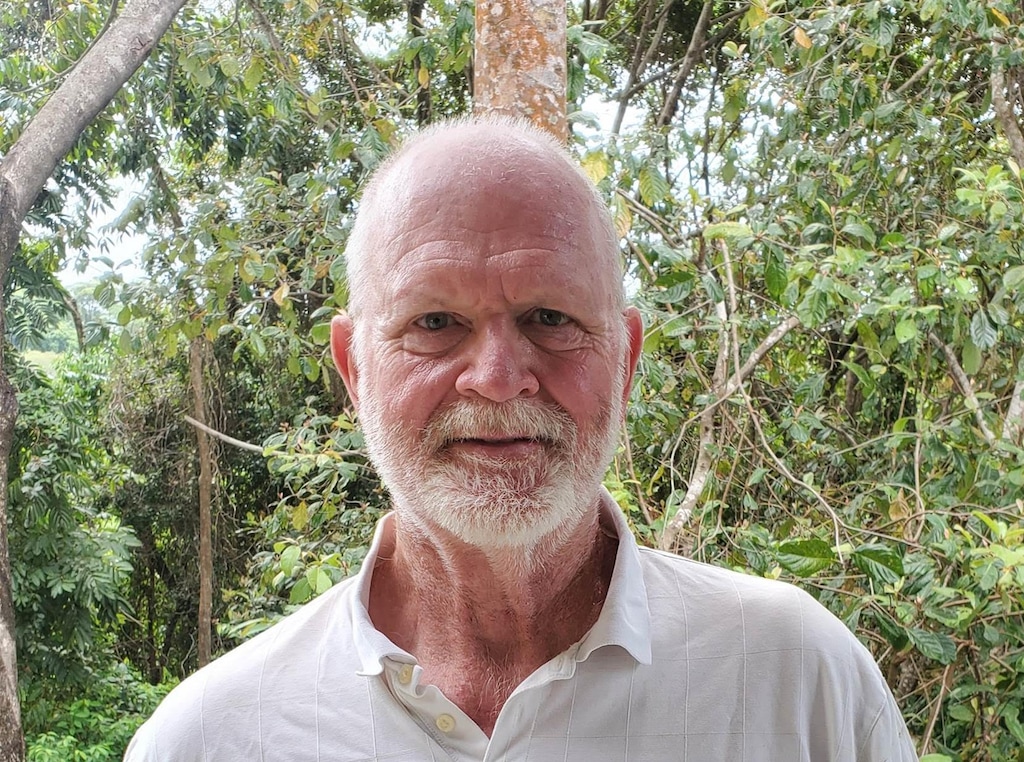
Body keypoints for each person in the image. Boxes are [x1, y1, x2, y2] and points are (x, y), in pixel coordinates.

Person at [126, 117, 918, 761]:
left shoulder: (793, 679)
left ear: (625, 359)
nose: (499, 378)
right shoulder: (214, 737)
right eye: (436, 322)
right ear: (354, 368)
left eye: (550, 318)